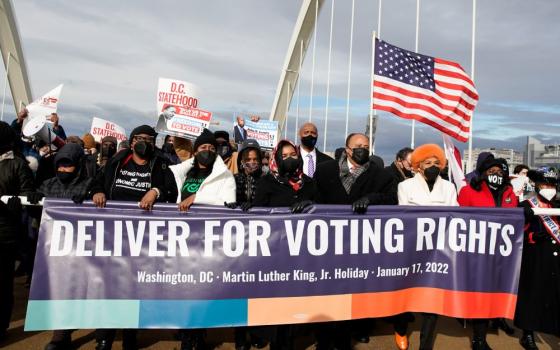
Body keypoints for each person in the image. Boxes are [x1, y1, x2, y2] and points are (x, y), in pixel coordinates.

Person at [91, 125, 177, 350]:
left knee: (133, 288)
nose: (144, 142)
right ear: (131, 141)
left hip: (143, 238)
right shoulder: (117, 161)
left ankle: (130, 334)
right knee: (109, 286)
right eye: (140, 138)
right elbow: (97, 182)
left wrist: (155, 191)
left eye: (149, 139)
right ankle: (104, 336)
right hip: (112, 235)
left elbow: (172, 191)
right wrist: (97, 192)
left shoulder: (160, 164)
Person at [313, 133, 396, 349]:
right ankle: (323, 339)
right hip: (328, 244)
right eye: (358, 146)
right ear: (347, 149)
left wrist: (371, 199)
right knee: (326, 294)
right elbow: (314, 197)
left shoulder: (380, 175)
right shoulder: (325, 170)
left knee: (351, 294)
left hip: (360, 247)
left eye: (366, 146)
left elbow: (392, 199)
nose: (363, 149)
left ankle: (346, 338)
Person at [168, 129, 235, 349]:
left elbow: (228, 204)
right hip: (181, 241)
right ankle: (187, 330)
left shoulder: (225, 177)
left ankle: (195, 336)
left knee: (201, 290)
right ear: (195, 151)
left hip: (208, 242)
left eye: (211, 148)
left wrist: (197, 197)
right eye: (203, 148)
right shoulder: (180, 173)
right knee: (183, 289)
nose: (207, 151)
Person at [33, 143, 95, 350]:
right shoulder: (48, 184)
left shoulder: (89, 184)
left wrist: (89, 199)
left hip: (78, 249)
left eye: (68, 166)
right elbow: (38, 214)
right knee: (56, 291)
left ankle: (62, 334)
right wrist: (33, 200)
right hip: (51, 249)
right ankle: (61, 334)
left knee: (71, 290)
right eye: (60, 165)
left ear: (77, 165)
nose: (63, 170)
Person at [397, 144, 458, 350]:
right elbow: (403, 218)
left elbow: (455, 216)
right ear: (418, 165)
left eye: (436, 163)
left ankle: (426, 344)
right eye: (428, 162)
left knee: (432, 299)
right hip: (411, 249)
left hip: (438, 251)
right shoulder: (405, 186)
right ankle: (401, 329)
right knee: (405, 294)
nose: (433, 166)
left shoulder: (449, 187)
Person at [458, 157, 518, 350]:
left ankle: (496, 320)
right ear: (483, 173)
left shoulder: (510, 194)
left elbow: (517, 226)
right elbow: (458, 221)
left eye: (500, 172)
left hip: (503, 254)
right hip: (478, 254)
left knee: (497, 293)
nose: (496, 175)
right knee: (481, 297)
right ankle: (479, 339)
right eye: (492, 171)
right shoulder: (468, 192)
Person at [514, 167, 560, 349]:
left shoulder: (557, 205)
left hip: (555, 257)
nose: (549, 188)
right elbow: (515, 233)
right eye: (545, 184)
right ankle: (528, 334)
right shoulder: (526, 205)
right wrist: (531, 237)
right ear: (537, 185)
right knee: (532, 295)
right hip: (535, 257)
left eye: (552, 184)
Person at [0, 121, 35, 342]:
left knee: (3, 285)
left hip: (5, 233)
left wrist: (18, 204)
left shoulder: (18, 164)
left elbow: (28, 193)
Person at [229, 139, 263, 211]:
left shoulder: (266, 180)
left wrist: (255, 205)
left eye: (255, 159)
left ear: (259, 160)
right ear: (242, 161)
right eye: (248, 159)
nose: (252, 162)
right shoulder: (233, 179)